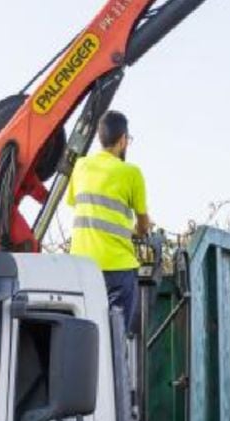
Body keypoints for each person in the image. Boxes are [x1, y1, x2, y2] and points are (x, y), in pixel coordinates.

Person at [68, 110, 152, 334]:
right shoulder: (131, 173)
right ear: (123, 140)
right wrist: (140, 230)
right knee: (116, 335)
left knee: (85, 333)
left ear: (98, 137)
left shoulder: (80, 167)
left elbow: (77, 204)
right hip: (118, 268)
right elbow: (143, 223)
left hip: (81, 265)